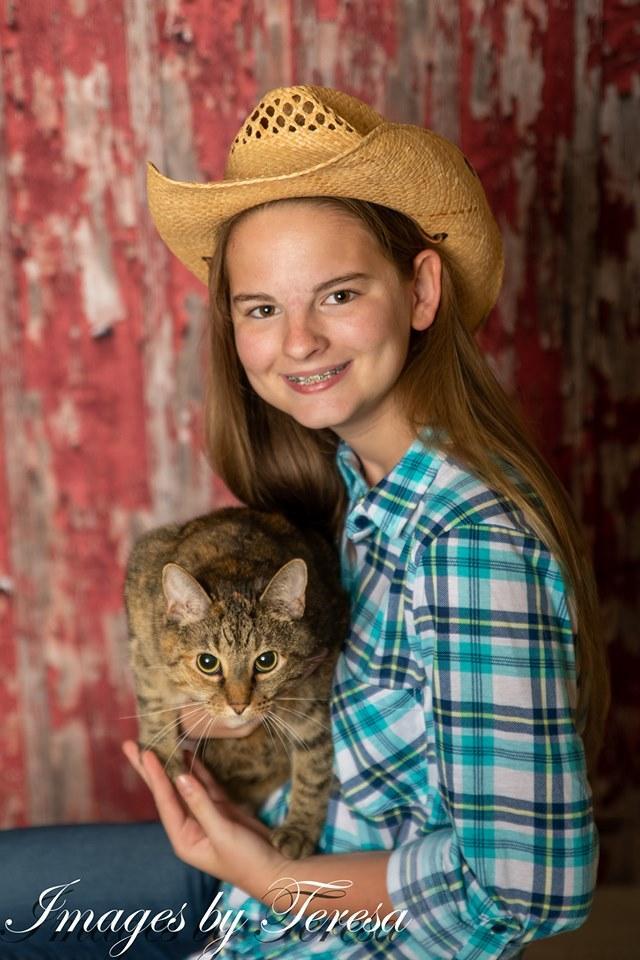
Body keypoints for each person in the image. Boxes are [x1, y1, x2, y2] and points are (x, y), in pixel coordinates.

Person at [0, 84, 608, 960]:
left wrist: (275, 880)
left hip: (310, 922)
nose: (298, 343)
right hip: (259, 868)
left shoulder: (464, 539)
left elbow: (524, 891)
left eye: (338, 294)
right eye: (262, 309)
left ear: (422, 289)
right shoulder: (356, 486)